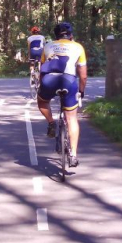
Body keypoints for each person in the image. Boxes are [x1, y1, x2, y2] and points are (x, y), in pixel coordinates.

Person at [37, 22, 87, 166]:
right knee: (72, 118)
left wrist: (43, 87)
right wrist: (81, 91)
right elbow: (83, 76)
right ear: (71, 35)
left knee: (42, 101)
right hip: (69, 81)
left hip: (49, 80)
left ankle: (51, 123)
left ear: (56, 35)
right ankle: (73, 155)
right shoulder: (78, 47)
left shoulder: (47, 46)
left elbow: (42, 70)